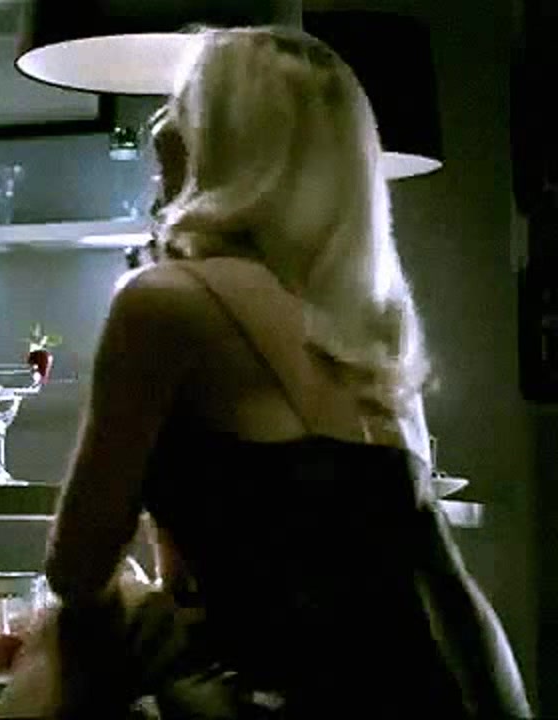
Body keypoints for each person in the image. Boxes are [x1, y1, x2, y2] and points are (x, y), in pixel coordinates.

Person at [43, 26, 532, 719]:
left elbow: (76, 568)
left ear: (224, 138)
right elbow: (451, 595)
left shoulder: (165, 303)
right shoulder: (362, 333)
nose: (158, 125)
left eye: (182, 103)